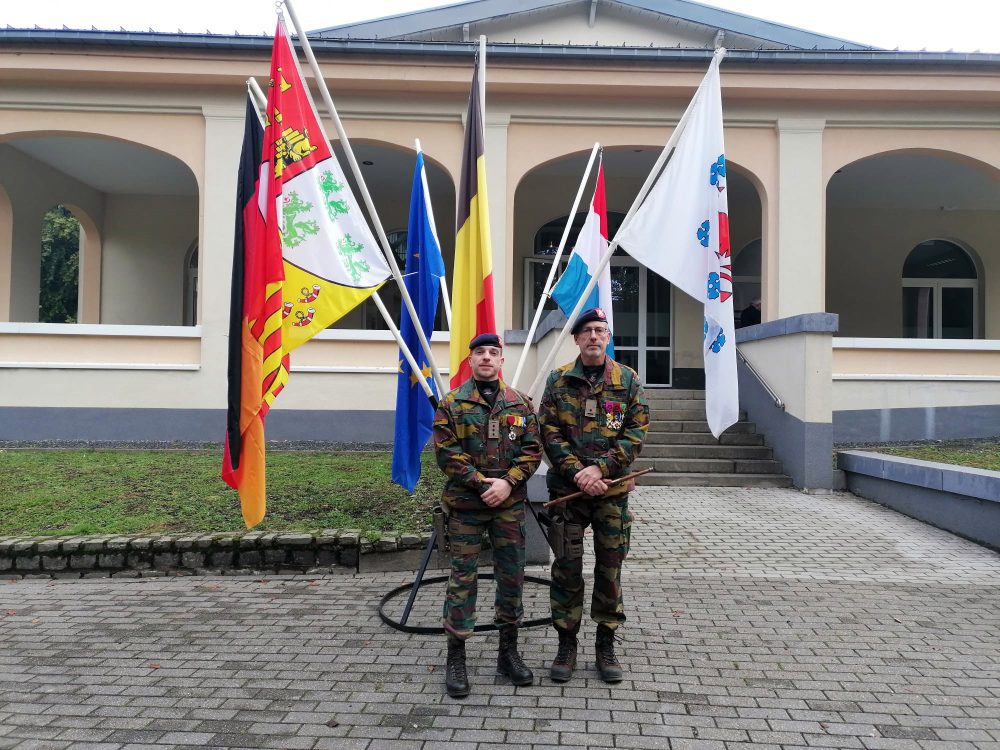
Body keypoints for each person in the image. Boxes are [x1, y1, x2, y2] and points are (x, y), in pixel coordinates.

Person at [538, 307, 649, 683]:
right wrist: (577, 473)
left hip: (611, 492)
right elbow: (548, 433)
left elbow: (636, 433)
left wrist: (600, 469)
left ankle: (606, 643)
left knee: (609, 569)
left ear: (608, 336)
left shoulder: (628, 380)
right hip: (567, 492)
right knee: (567, 568)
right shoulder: (558, 380)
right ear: (576, 339)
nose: (593, 337)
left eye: (600, 330)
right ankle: (566, 643)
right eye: (586, 331)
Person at [432, 332, 542, 699]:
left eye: (493, 353)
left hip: (508, 508)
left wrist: (507, 484)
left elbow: (532, 451)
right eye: (480, 352)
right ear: (471, 359)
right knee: (462, 580)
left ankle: (507, 653)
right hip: (466, 507)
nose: (487, 358)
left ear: (501, 361)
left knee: (511, 577)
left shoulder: (520, 404)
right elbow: (447, 454)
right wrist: (483, 484)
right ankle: (456, 656)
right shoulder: (452, 404)